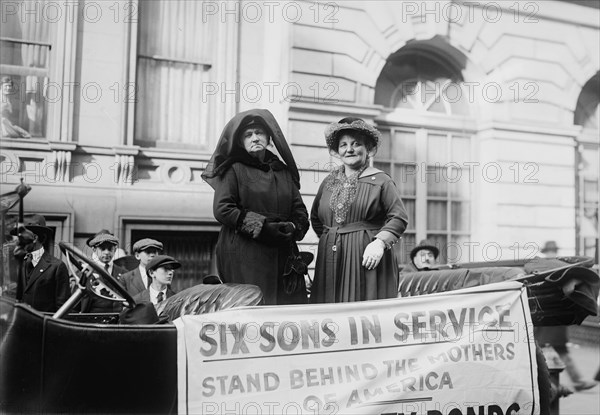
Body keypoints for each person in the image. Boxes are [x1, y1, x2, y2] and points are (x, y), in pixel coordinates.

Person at [201, 109, 309, 305]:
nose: (255, 138)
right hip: (246, 252)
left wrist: (293, 228)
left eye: (259, 133)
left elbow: (300, 211)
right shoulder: (233, 169)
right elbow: (223, 209)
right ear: (241, 141)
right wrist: (263, 227)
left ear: (269, 138)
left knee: (286, 311)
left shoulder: (283, 172)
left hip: (283, 253)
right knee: (253, 307)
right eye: (248, 135)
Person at [310, 117, 408, 303]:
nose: (349, 149)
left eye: (356, 144)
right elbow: (316, 218)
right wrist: (332, 238)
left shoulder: (381, 180)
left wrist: (379, 242)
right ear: (337, 151)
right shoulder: (328, 183)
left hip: (367, 258)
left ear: (368, 148)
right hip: (330, 259)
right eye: (343, 145)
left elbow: (399, 217)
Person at [535, 240, 598, 392]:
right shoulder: (542, 267)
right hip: (543, 317)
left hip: (555, 317)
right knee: (545, 352)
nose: (551, 253)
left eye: (553, 250)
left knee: (557, 351)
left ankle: (576, 381)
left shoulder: (560, 267)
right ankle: (575, 382)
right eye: (549, 251)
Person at [12, 214, 70, 312]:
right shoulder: (17, 263)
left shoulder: (57, 267)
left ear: (34, 238)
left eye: (21, 238)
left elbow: (62, 308)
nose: (17, 242)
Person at [79, 230, 127, 313]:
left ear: (115, 250)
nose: (107, 252)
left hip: (118, 320)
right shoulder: (86, 272)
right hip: (92, 320)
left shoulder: (124, 273)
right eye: (102, 248)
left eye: (110, 249)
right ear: (94, 249)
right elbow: (78, 301)